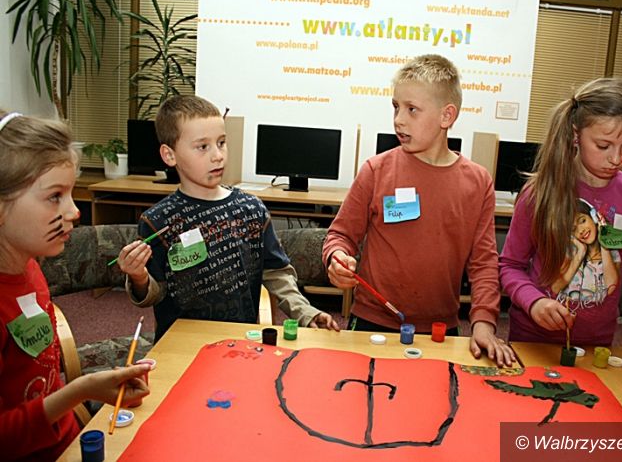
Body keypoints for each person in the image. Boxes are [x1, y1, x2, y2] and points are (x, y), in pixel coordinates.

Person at [323, 54, 515, 366]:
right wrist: (337, 257)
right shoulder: (376, 170)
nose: (399, 119)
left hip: (440, 330)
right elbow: (340, 235)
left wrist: (483, 322)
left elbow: (483, 263)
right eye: (395, 107)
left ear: (446, 116)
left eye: (411, 109)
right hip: (372, 323)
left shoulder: (478, 182)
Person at [118, 95, 339, 341]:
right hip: (181, 343)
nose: (218, 155)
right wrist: (138, 276)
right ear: (170, 155)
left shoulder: (251, 209)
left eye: (221, 143)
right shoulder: (157, 221)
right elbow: (154, 293)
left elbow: (277, 273)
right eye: (203, 147)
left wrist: (305, 311)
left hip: (239, 342)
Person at [0, 110, 151, 461]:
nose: (74, 211)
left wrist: (87, 393)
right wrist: (81, 390)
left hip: (67, 441)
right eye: (55, 196)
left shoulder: (31, 269)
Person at [499, 78, 622, 377]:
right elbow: (510, 265)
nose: (616, 158)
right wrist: (534, 302)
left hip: (595, 347)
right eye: (603, 145)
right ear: (576, 135)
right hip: (532, 342)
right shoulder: (539, 193)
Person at [551, 198, 621, 300]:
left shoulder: (612, 251)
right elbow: (555, 288)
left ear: (594, 217)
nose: (581, 230)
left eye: (582, 221)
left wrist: (604, 241)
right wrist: (580, 254)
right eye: (573, 229)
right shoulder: (570, 252)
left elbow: (611, 288)